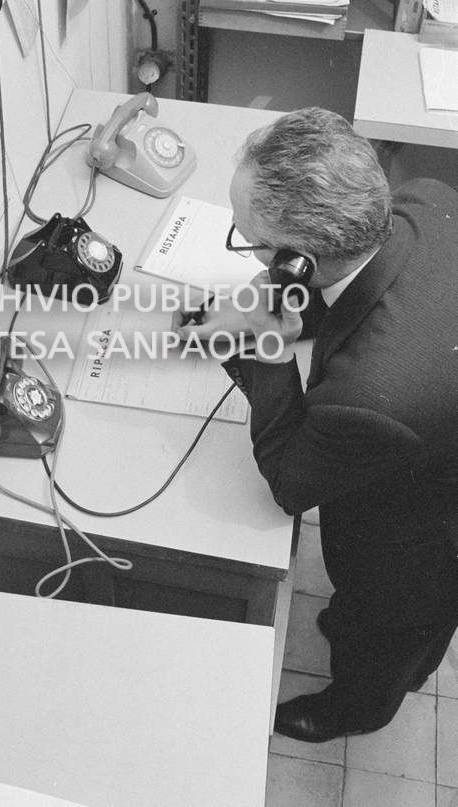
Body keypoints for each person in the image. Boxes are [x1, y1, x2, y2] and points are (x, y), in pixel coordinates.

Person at [175, 108, 458, 742]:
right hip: (441, 416)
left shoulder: (374, 397)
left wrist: (266, 349)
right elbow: (379, 304)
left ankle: (357, 708)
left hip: (426, 536)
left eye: (250, 240)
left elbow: (290, 481)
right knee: (375, 618)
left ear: (298, 260)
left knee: (388, 630)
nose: (246, 251)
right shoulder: (422, 200)